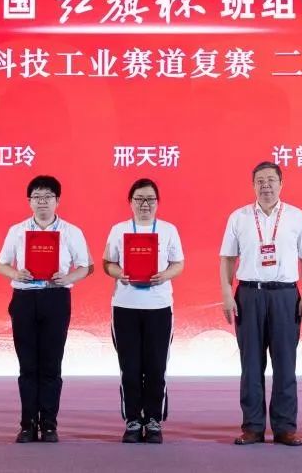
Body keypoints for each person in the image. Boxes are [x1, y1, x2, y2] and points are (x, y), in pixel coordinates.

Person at [220, 161, 302, 446]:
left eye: (271, 180)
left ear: (281, 183)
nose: (266, 186)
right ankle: (252, 427)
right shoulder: (239, 217)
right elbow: (227, 259)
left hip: (285, 296)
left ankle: (285, 427)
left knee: (285, 363)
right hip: (249, 294)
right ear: (253, 185)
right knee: (250, 364)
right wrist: (227, 294)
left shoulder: (296, 217)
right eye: (260, 181)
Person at [0, 175, 93, 443]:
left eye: (48, 197)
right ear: (29, 201)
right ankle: (27, 424)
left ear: (57, 200)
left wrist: (67, 278)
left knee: (51, 364)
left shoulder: (71, 231)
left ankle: (49, 424)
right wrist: (17, 273)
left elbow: (86, 267)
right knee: (28, 365)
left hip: (55, 298)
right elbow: (1, 264)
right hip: (25, 299)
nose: (42, 202)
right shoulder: (16, 231)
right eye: (37, 197)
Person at [103, 178, 185, 444]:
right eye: (139, 199)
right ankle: (133, 420)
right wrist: (120, 273)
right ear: (130, 202)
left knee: (156, 366)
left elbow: (178, 263)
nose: (145, 204)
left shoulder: (169, 230)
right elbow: (107, 263)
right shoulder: (119, 230)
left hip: (159, 307)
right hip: (125, 306)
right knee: (129, 367)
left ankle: (153, 420)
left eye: (150, 199)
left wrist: (164, 275)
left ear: (157, 202)